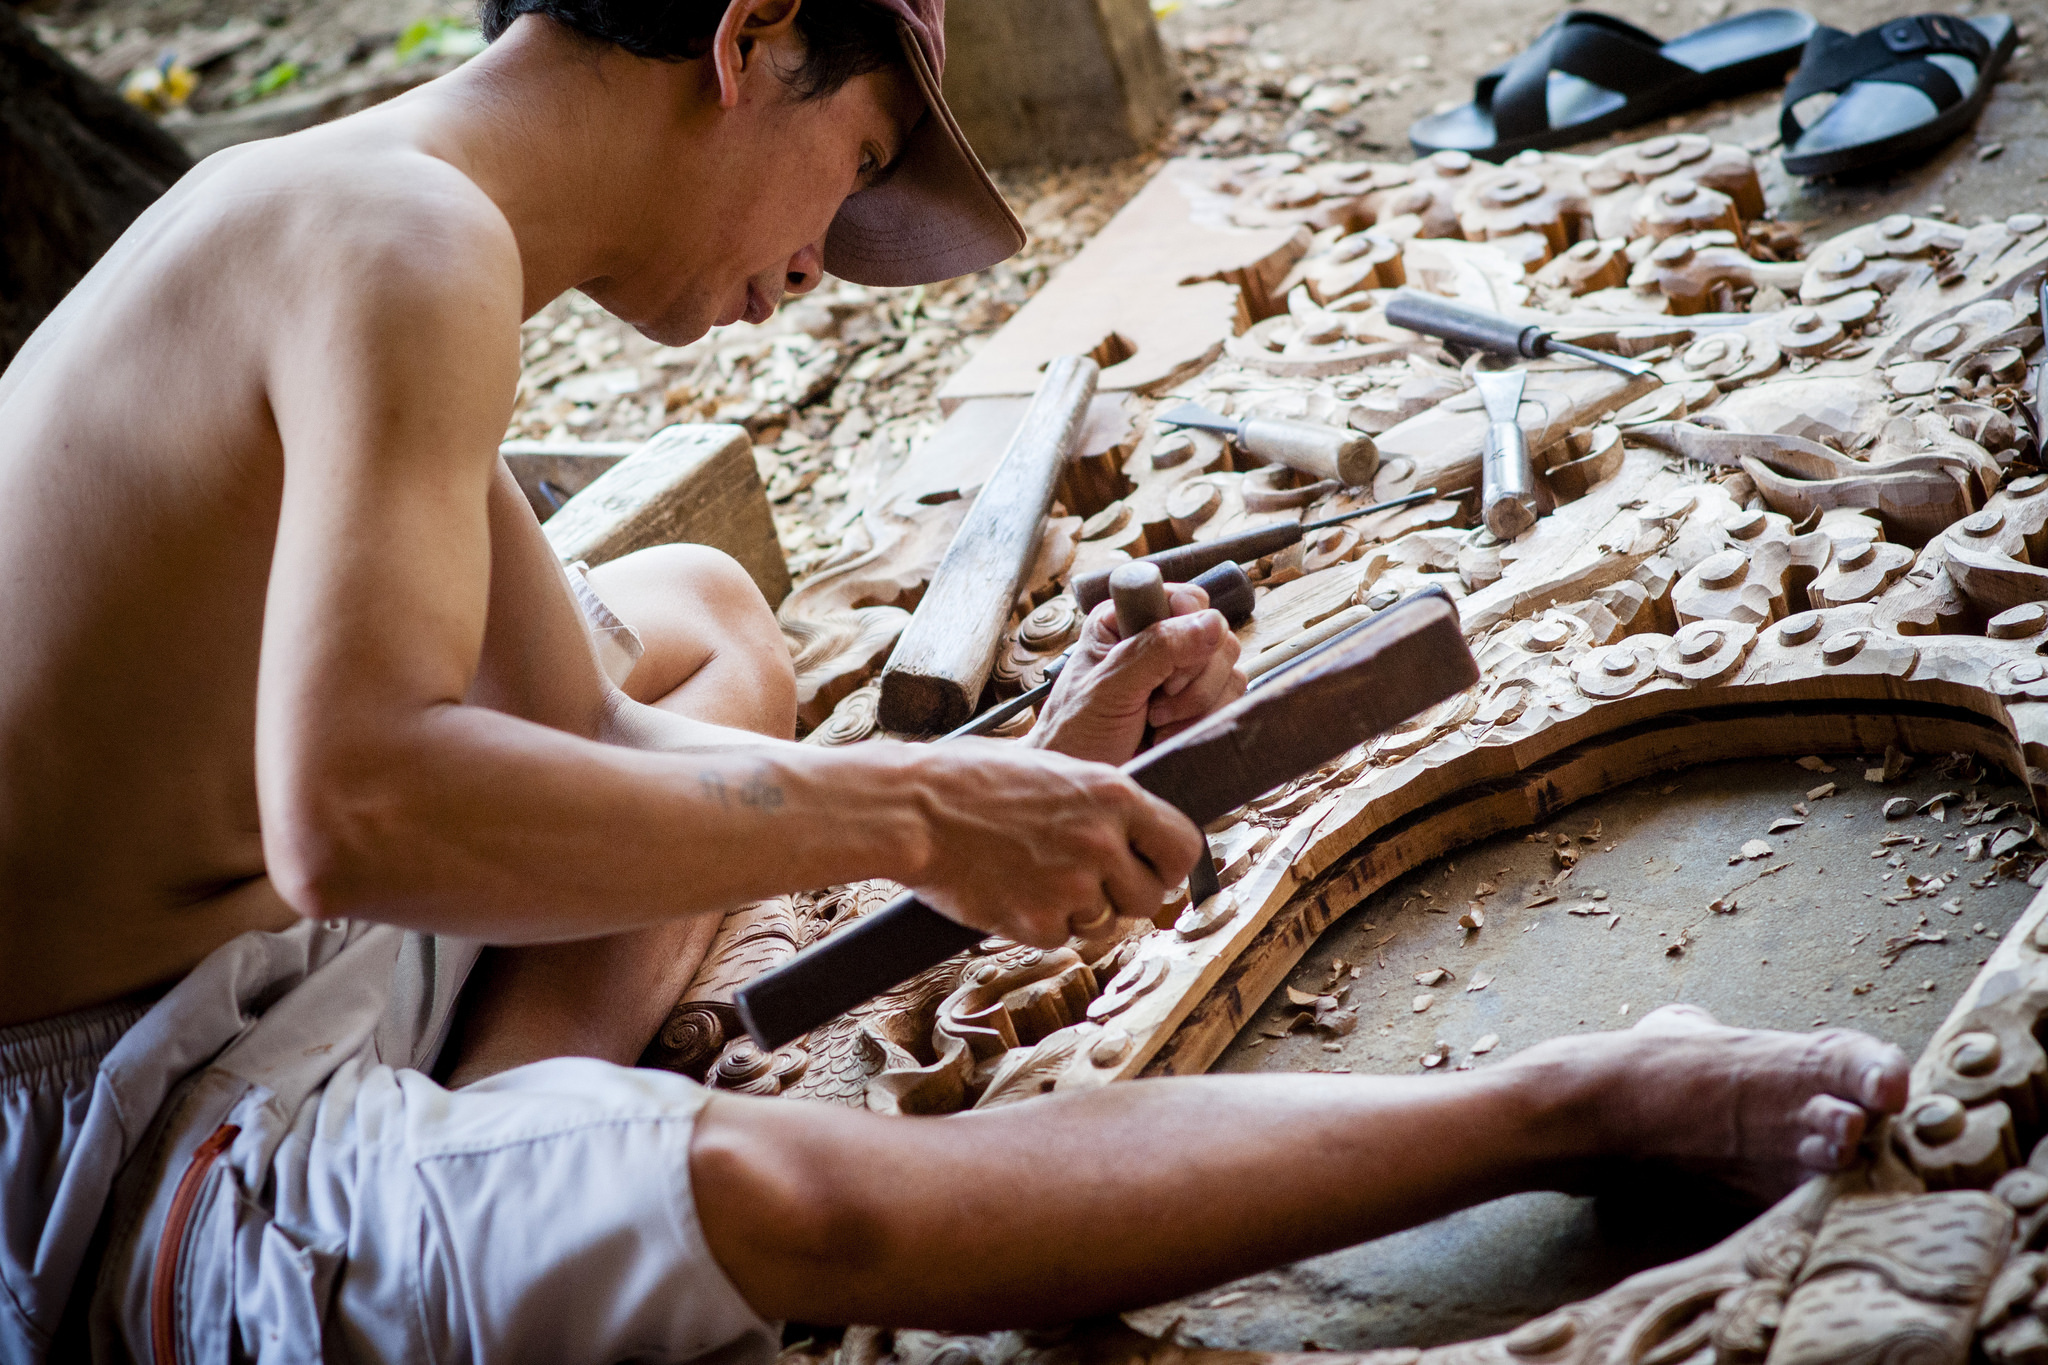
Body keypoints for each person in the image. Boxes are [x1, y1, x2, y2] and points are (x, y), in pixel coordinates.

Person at [0, 0, 1909, 1359]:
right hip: (113, 1149)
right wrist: (917, 803)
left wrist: (1027, 754)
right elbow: (355, 817)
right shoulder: (405, 243)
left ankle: (525, 1109)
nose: (824, 261)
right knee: (797, 1207)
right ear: (748, 41)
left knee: (701, 613)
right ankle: (1575, 1103)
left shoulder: (382, 199)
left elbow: (577, 741)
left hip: (244, 960)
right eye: (852, 167)